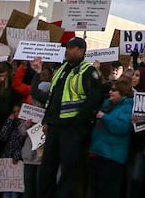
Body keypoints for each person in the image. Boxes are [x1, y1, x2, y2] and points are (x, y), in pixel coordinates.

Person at [38, 37, 103, 198]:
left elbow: (93, 100)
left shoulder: (88, 71)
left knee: (69, 170)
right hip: (55, 126)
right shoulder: (61, 69)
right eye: (66, 47)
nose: (67, 50)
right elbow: (52, 97)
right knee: (47, 167)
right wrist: (46, 120)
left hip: (72, 128)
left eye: (71, 47)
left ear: (81, 51)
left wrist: (77, 122)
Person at [88, 80, 134, 196]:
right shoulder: (106, 104)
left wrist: (105, 117)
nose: (110, 92)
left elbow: (121, 128)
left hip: (112, 156)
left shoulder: (128, 107)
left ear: (122, 93)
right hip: (97, 152)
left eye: (114, 90)